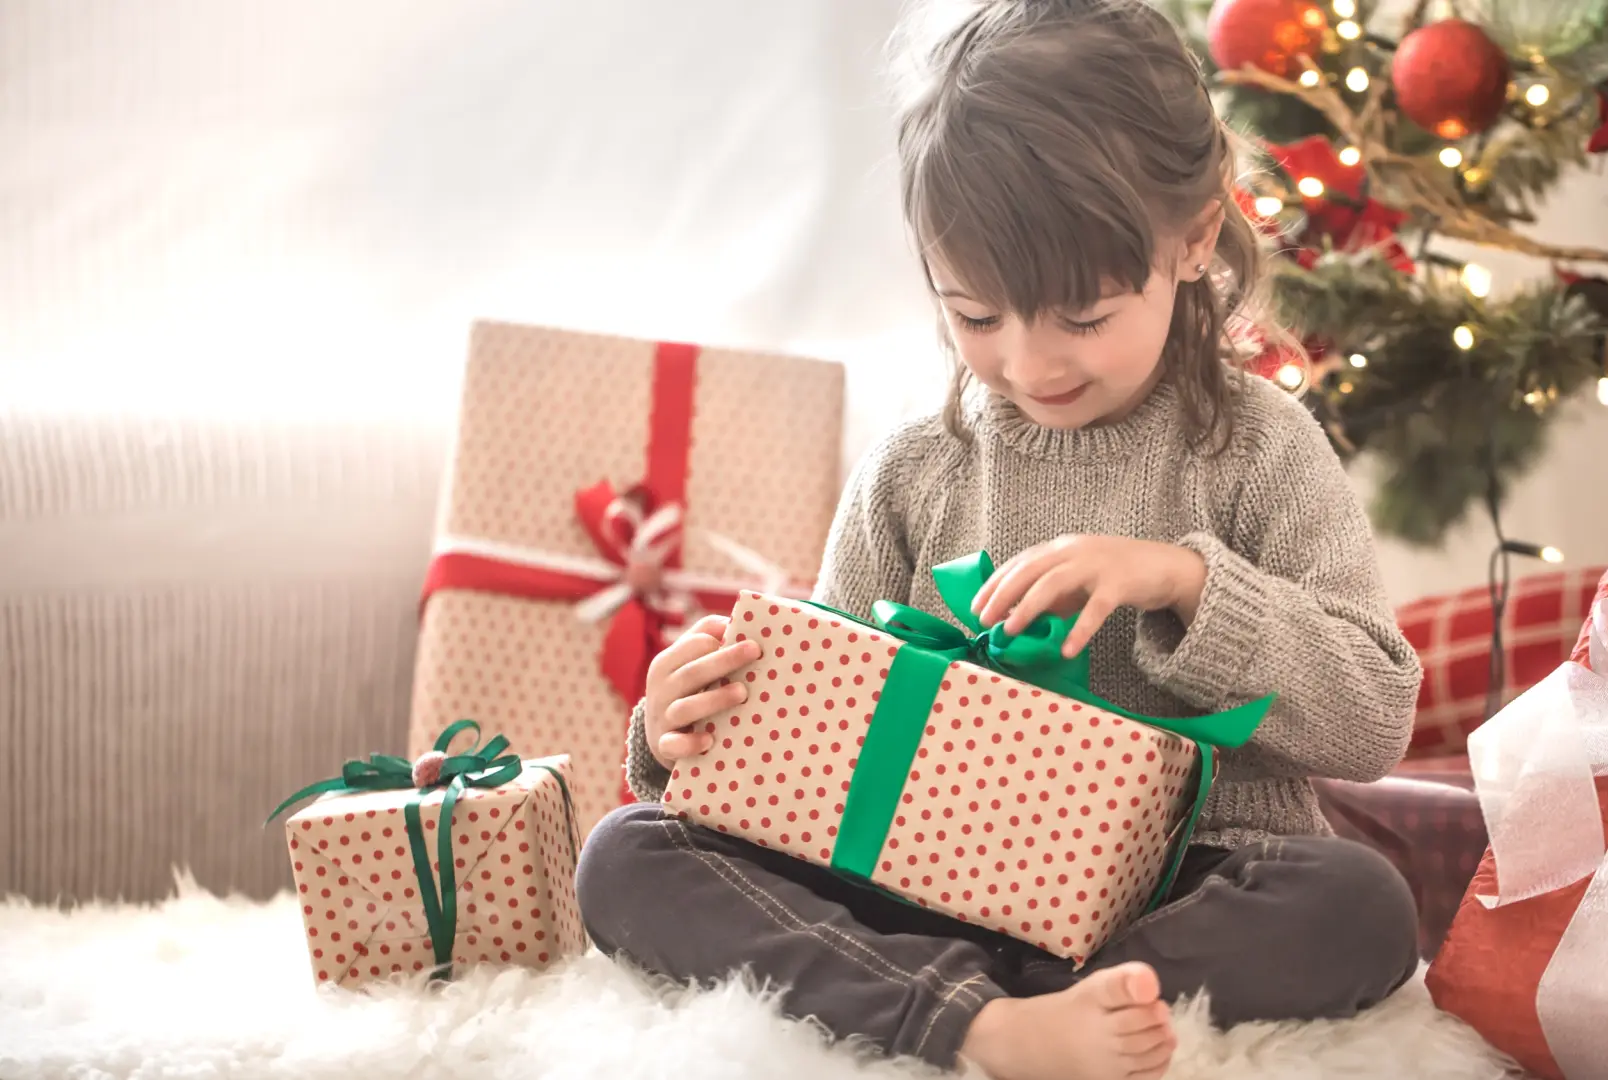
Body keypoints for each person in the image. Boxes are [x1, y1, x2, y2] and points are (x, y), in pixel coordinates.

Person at [574, 1, 1423, 1077]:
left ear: (1195, 235)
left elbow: (1375, 719)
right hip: (933, 885)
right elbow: (818, 768)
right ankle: (984, 1021)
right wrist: (680, 727)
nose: (1030, 364)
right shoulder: (911, 471)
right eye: (977, 317)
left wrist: (1185, 583)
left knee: (1360, 906)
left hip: (1183, 882)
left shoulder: (1261, 449)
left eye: (1082, 316)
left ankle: (983, 1001)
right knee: (627, 858)